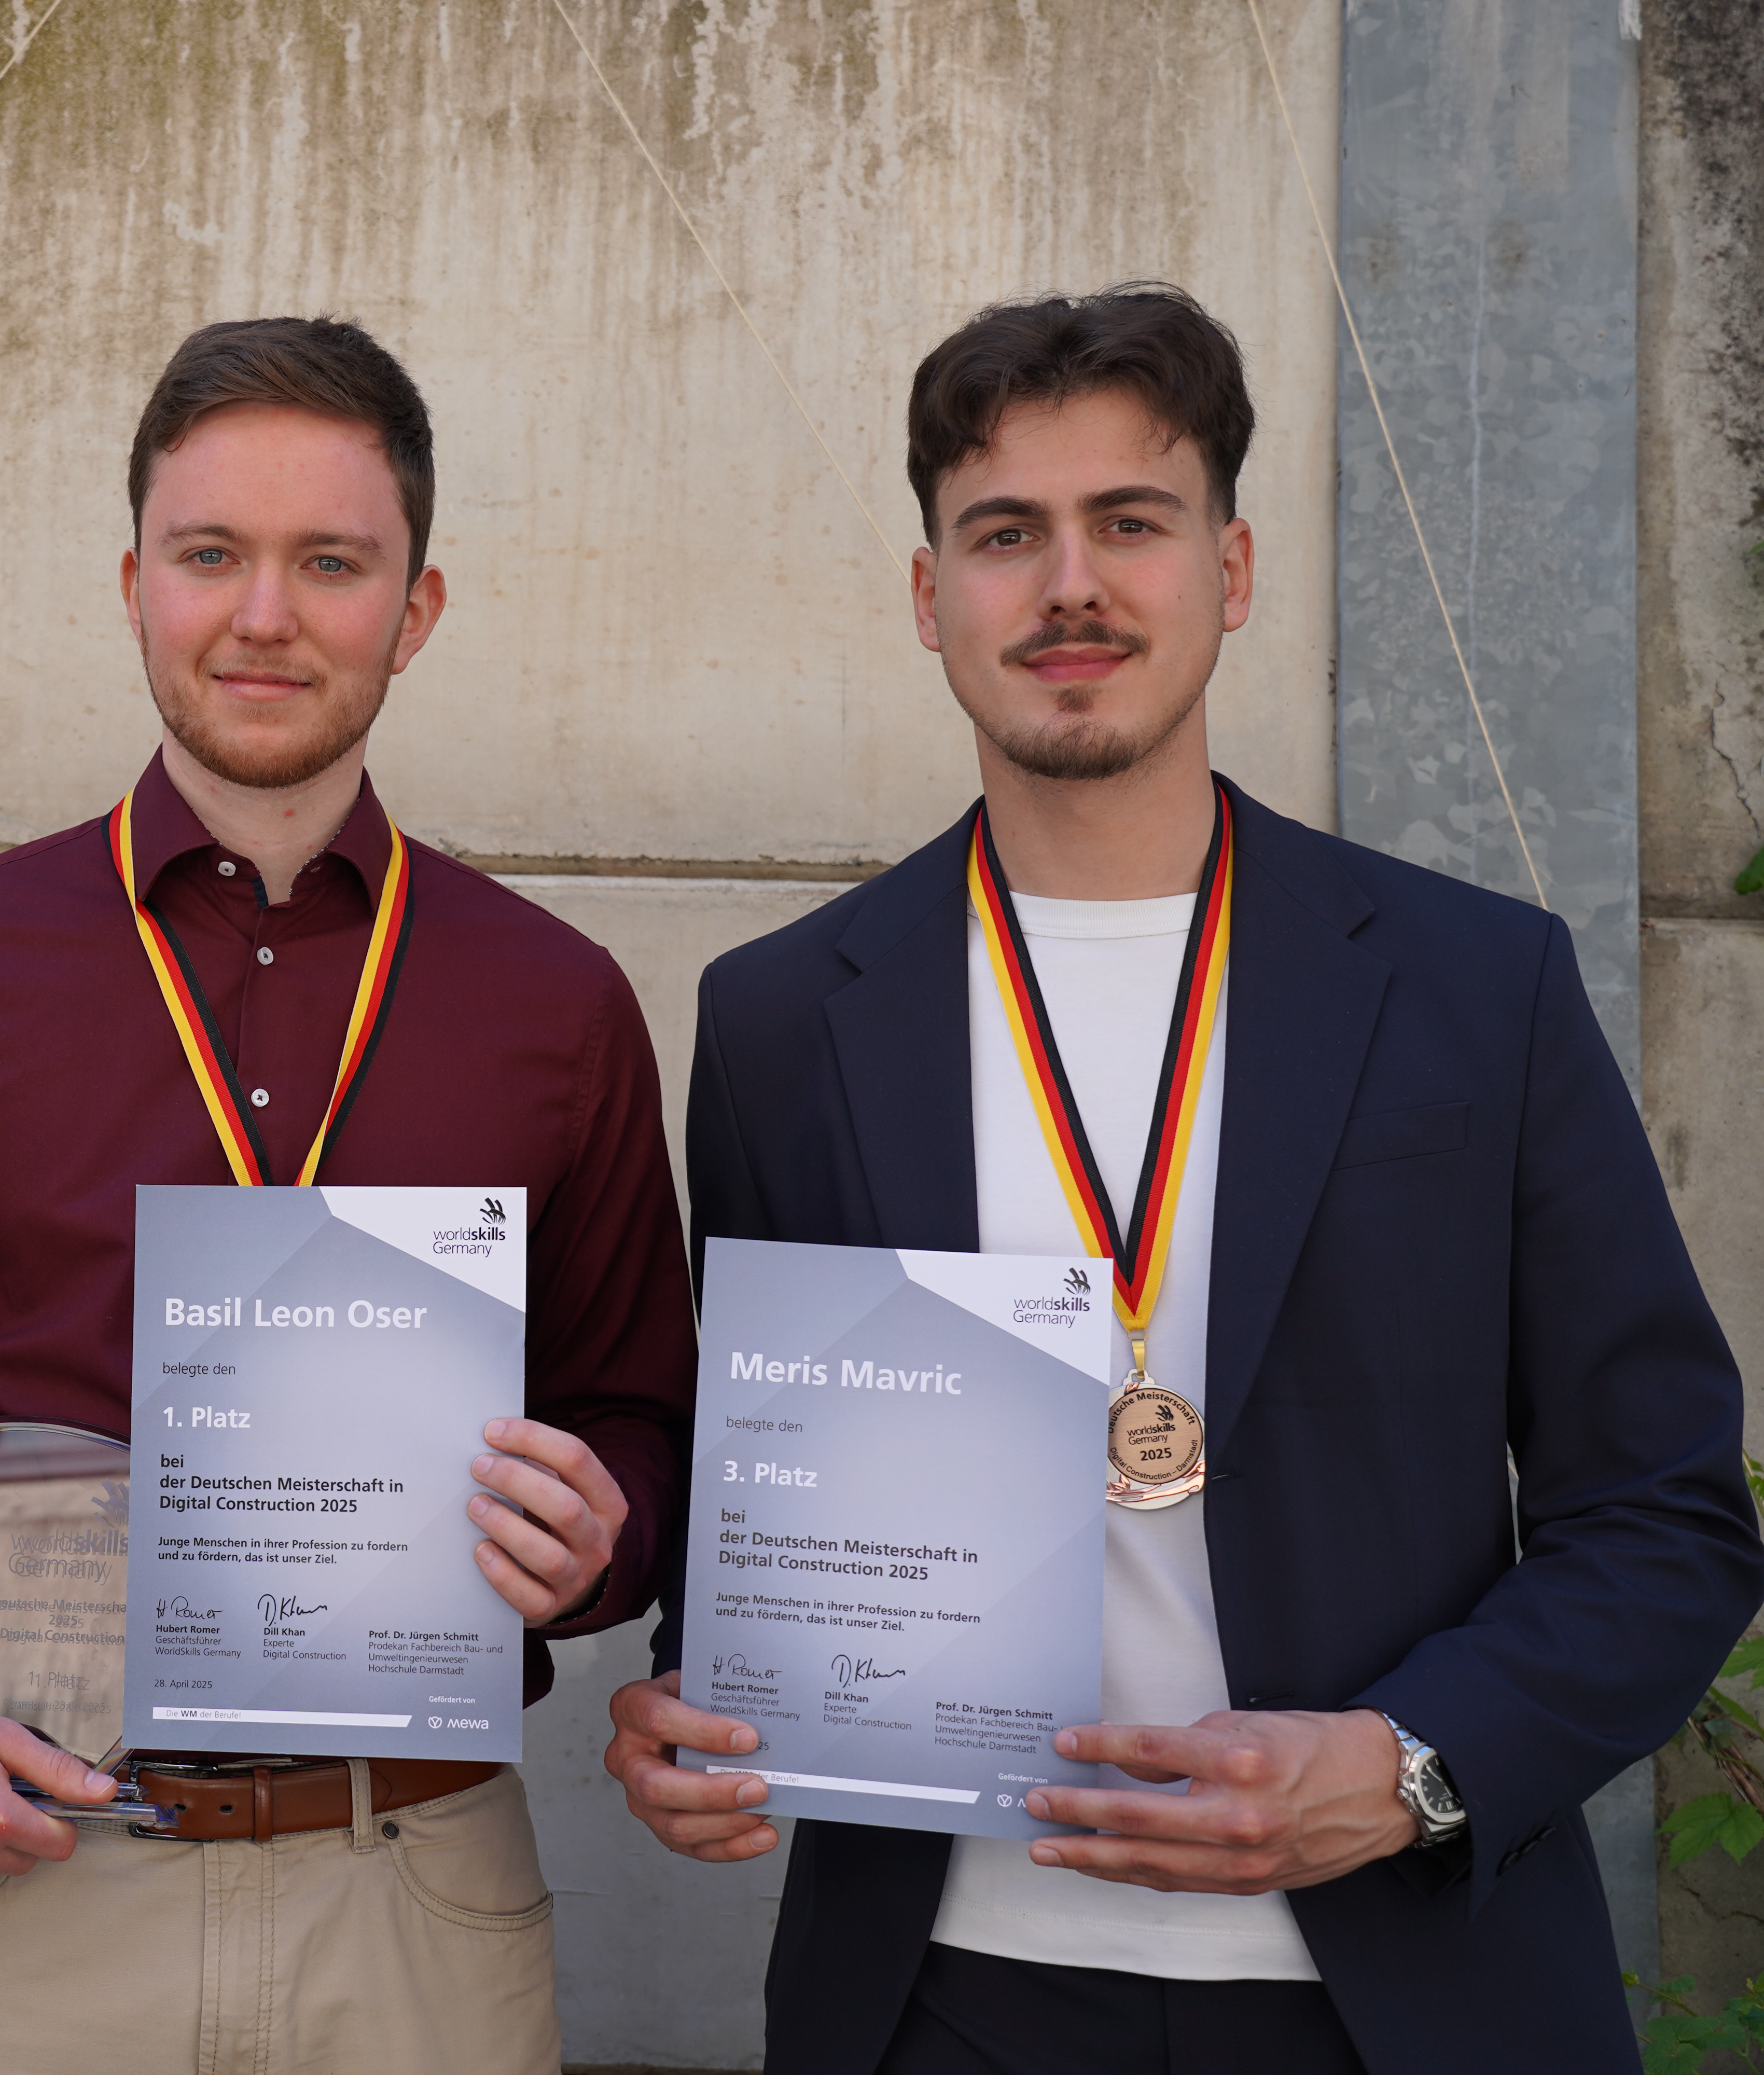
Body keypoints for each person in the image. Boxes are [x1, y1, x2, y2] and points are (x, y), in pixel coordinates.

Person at [602, 284, 1764, 2073]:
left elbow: (1665, 1513)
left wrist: (1412, 1765)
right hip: (936, 2001)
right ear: (929, 595)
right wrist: (702, 1706)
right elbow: (778, 1504)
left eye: (1129, 523)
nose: (1069, 586)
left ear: (1231, 569)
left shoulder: (1479, 987)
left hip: (1399, 1996)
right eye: (1006, 533)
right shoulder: (782, 1021)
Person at [0, 316, 697, 2074]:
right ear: (133, 585)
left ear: (418, 607)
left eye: (333, 562)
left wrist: (600, 1534)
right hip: (24, 1886)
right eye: (211, 554)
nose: (264, 616)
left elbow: (646, 1419)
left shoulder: (555, 1005)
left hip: (417, 1899)